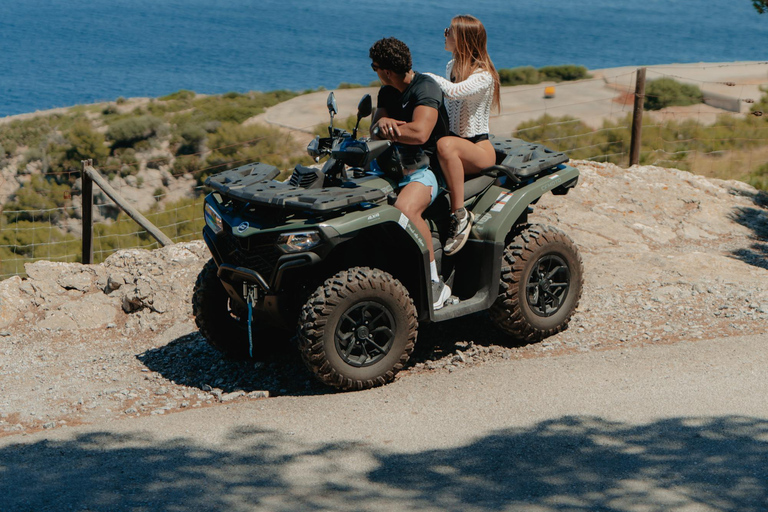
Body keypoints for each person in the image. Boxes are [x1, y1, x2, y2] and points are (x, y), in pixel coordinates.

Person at [368, 37, 453, 310]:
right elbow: (374, 129)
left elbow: (420, 133)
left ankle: (433, 284)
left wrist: (389, 129)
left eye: (375, 67)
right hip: (393, 165)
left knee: (405, 208)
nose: (375, 71)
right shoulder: (387, 91)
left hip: (428, 169)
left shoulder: (425, 87)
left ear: (387, 71)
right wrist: (382, 122)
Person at [423, 15, 501, 255]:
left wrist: (421, 77)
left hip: (477, 149)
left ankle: (460, 215)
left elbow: (455, 92)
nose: (444, 34)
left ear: (463, 39)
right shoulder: (451, 66)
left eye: (449, 31)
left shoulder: (483, 75)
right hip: (455, 144)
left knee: (446, 145)